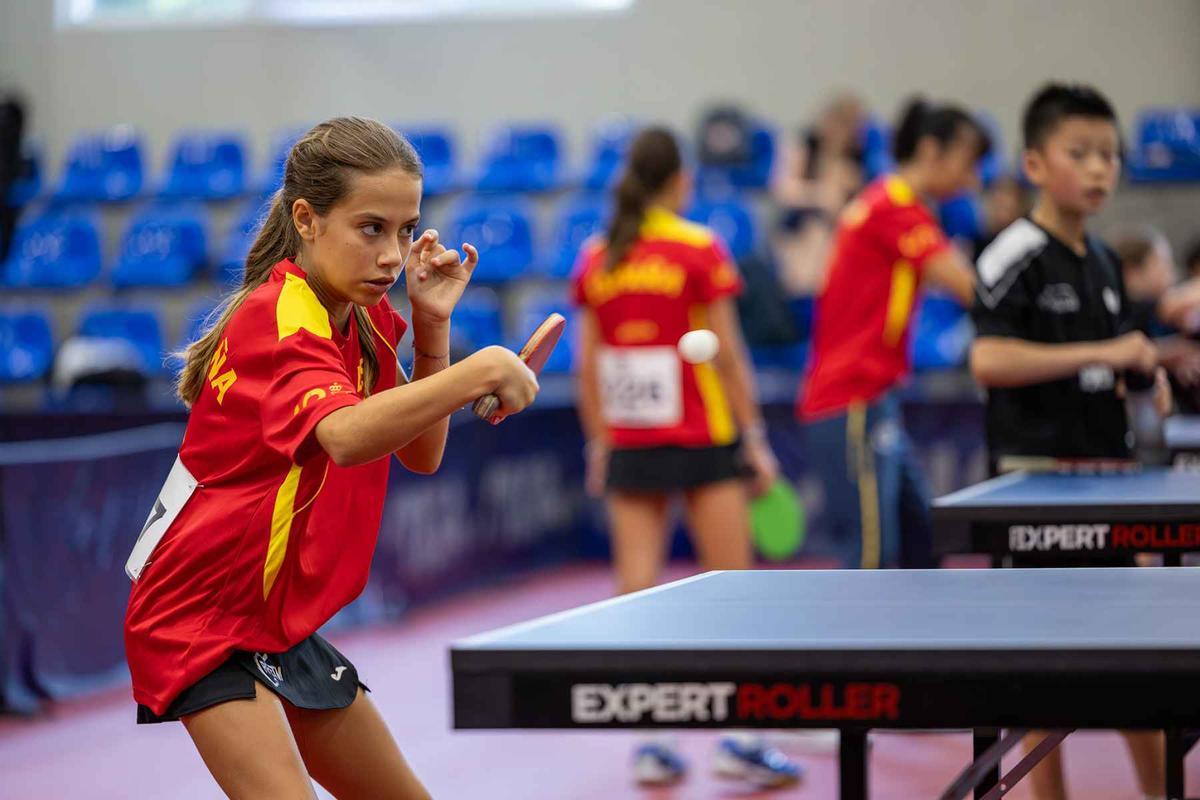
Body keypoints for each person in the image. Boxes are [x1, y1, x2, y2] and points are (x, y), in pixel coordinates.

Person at [124, 117, 540, 800]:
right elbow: (345, 436)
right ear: (307, 219)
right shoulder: (280, 319)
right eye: (371, 228)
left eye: (406, 231)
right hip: (199, 613)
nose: (392, 255)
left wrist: (432, 329)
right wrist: (484, 367)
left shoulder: (363, 313)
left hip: (272, 616)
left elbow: (420, 452)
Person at [572, 127, 802, 789]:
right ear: (680, 182)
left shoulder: (597, 256)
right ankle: (741, 740)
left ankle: (650, 743)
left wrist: (599, 441)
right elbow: (728, 353)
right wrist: (754, 438)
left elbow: (589, 365)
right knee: (731, 591)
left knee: (636, 593)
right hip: (703, 435)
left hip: (630, 442)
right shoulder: (699, 248)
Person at [970, 83, 1169, 800]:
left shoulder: (1106, 262)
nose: (1098, 169)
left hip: (1110, 485)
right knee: (1042, 680)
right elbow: (987, 361)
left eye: (1109, 155)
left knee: (1140, 675)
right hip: (1035, 493)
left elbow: (1103, 361)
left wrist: (1136, 374)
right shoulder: (1013, 254)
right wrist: (1105, 353)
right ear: (1032, 163)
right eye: (1079, 153)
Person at [797, 97, 986, 571]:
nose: (972, 181)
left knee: (924, 542)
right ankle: (854, 650)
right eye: (967, 164)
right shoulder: (894, 208)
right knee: (871, 561)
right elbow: (973, 289)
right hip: (851, 401)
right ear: (930, 151)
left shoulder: (886, 201)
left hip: (873, 401)